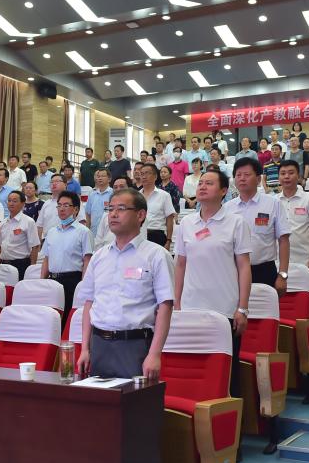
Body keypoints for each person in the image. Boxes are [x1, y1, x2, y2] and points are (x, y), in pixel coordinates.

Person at [76, 187, 174, 380]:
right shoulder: (99, 256)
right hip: (99, 344)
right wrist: (85, 348)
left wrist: (155, 354)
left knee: (135, 399)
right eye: (110, 209)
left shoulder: (156, 255)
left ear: (140, 215)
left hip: (135, 345)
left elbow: (165, 306)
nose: (113, 214)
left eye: (121, 209)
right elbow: (89, 303)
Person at [174, 168, 252, 399]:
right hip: (191, 307)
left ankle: (231, 419)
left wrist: (242, 308)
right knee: (192, 368)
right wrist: (176, 303)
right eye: (200, 183)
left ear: (224, 191)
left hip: (224, 309)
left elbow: (244, 267)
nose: (202, 187)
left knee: (227, 372)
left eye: (209, 183)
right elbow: (180, 265)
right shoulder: (186, 223)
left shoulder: (236, 223)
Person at [226, 157, 291, 294]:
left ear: (258, 179)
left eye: (247, 174)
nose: (242, 178)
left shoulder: (273, 203)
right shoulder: (227, 208)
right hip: (234, 271)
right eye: (238, 175)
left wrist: (283, 274)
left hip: (264, 270)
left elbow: (284, 240)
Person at [40, 190, 92, 325]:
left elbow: (87, 261)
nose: (61, 209)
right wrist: (42, 282)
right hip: (52, 281)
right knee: (50, 319)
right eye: (59, 205)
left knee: (67, 320)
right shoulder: (52, 231)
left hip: (72, 281)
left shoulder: (84, 232)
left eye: (66, 205)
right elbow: (46, 259)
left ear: (76, 209)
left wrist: (83, 285)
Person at [277, 160, 309, 275]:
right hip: (278, 261)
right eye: (283, 173)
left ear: (298, 176)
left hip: (304, 259)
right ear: (279, 178)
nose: (286, 176)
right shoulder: (273, 201)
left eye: (291, 173)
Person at [0, 190, 40, 281]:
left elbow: (35, 246)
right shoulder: (3, 223)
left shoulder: (28, 221)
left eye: (14, 201)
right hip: (3, 264)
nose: (11, 203)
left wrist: (32, 269)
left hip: (21, 265)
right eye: (9, 200)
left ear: (23, 204)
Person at [38, 173, 88, 239]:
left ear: (65, 184)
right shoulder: (46, 203)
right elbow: (39, 225)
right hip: (47, 240)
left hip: (69, 240)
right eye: (52, 182)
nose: (54, 184)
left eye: (57, 181)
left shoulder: (74, 200)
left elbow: (82, 222)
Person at [138, 163, 176, 248]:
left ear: (155, 176)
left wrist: (168, 240)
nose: (144, 176)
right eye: (142, 174)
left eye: (147, 173)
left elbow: (169, 219)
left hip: (157, 235)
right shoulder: (136, 196)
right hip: (139, 235)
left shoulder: (164, 195)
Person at [85, 168, 113, 234]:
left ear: (109, 179)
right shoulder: (92, 195)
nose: (100, 178)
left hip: (109, 232)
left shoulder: (113, 194)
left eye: (103, 176)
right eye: (98, 176)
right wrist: (87, 230)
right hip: (93, 232)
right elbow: (88, 214)